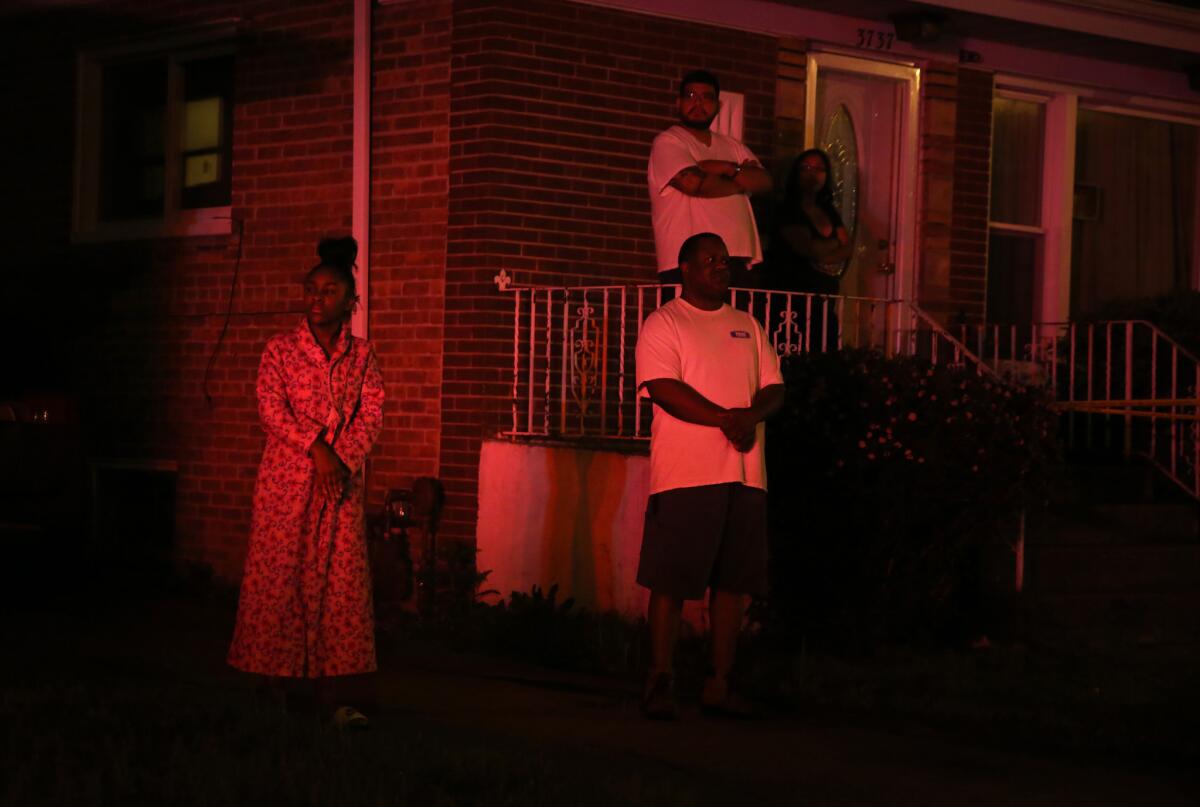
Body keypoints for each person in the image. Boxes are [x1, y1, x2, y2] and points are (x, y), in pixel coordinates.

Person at [228, 236, 385, 728]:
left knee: (336, 588)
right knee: (280, 580)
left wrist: (342, 459)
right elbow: (270, 407)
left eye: (330, 291)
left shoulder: (361, 357)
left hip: (337, 487)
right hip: (287, 483)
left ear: (351, 302)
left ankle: (328, 693)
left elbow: (371, 413)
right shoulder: (280, 350)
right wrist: (315, 448)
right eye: (311, 289)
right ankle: (271, 685)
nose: (318, 298)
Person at [634, 232, 786, 720]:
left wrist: (751, 417)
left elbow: (774, 387)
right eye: (710, 260)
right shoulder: (665, 323)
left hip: (745, 474)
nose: (722, 267)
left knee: (732, 583)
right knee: (672, 580)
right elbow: (662, 387)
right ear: (686, 270)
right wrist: (726, 419)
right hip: (686, 474)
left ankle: (720, 682)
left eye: (725, 259)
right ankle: (660, 680)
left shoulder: (747, 325)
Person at [648, 70, 772, 287]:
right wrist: (741, 180)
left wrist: (726, 168)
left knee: (737, 322)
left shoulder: (733, 146)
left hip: (735, 260)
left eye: (707, 97)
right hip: (687, 263)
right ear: (678, 103)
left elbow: (764, 182)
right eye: (691, 96)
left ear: (718, 106)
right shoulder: (669, 141)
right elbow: (693, 183)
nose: (698, 103)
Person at [765, 148, 853, 351]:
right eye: (806, 168)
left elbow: (847, 247)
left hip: (823, 297)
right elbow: (808, 248)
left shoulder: (828, 210)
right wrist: (833, 244)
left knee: (825, 350)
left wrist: (828, 249)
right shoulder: (787, 209)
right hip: (792, 299)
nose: (813, 174)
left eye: (820, 169)